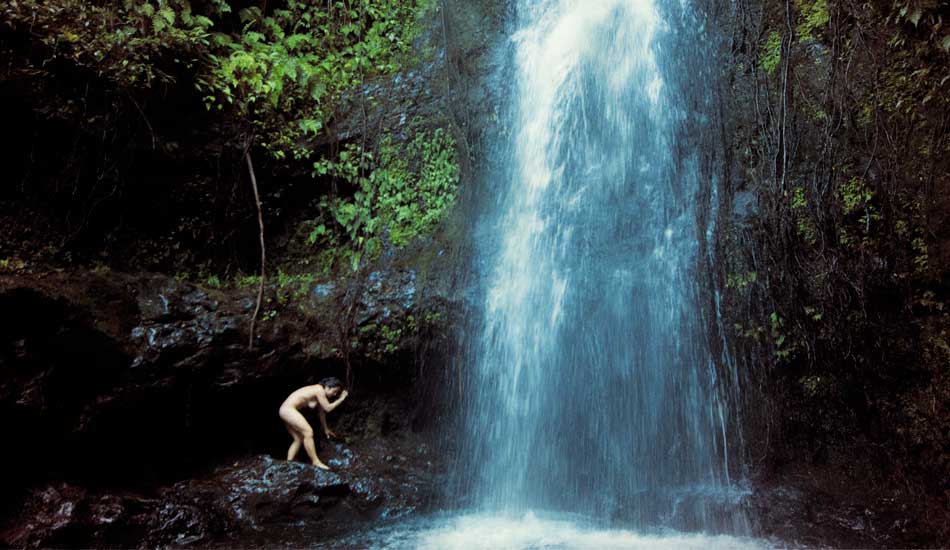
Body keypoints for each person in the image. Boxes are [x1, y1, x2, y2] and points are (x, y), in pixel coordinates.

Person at [278, 377, 349, 470]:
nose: (335, 394)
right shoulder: (319, 390)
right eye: (334, 391)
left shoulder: (319, 393)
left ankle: (289, 463)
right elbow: (328, 408)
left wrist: (325, 429)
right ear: (328, 387)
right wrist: (341, 399)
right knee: (308, 432)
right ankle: (315, 462)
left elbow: (322, 412)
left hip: (284, 410)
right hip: (288, 410)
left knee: (298, 438)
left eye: (337, 393)